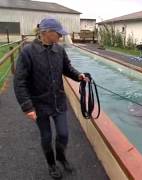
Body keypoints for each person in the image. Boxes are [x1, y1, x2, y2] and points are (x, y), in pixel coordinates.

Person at [14, 17, 88, 179]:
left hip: (58, 102)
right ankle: (51, 164)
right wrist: (27, 106)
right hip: (39, 104)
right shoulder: (28, 52)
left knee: (63, 134)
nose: (60, 37)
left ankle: (61, 157)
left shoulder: (59, 50)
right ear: (46, 32)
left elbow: (67, 68)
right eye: (58, 33)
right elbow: (19, 82)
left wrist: (79, 76)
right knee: (46, 137)